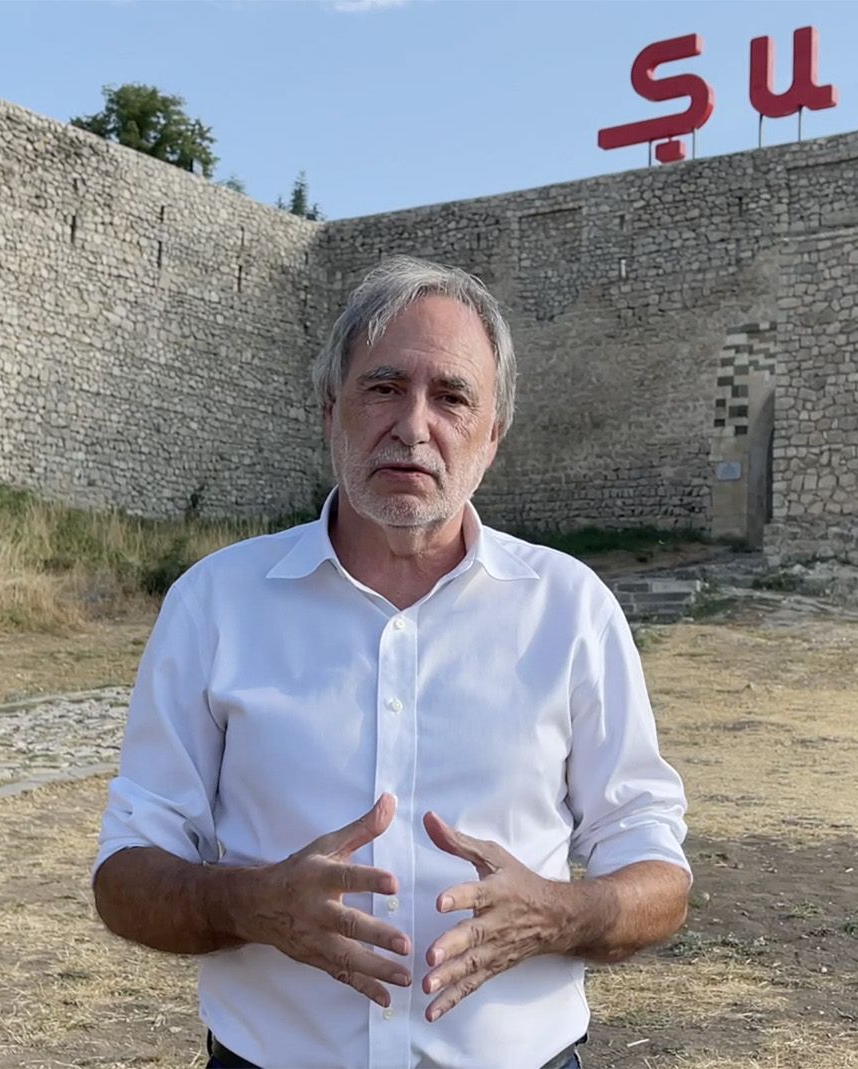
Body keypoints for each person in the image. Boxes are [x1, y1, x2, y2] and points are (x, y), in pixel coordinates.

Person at [90, 256, 693, 1069]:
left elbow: (656, 867)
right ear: (330, 410)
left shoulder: (570, 608)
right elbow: (125, 876)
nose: (414, 425)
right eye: (383, 388)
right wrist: (247, 904)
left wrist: (561, 913)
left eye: (451, 396)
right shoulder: (215, 604)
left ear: (492, 435)